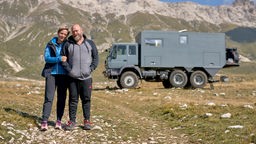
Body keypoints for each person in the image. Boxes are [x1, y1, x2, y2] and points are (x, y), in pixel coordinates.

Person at [61, 24, 99, 130]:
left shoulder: (90, 43)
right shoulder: (67, 44)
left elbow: (96, 58)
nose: (75, 33)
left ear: (81, 31)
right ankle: (72, 121)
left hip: (87, 78)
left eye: (77, 31)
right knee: (73, 100)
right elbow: (63, 59)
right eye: (73, 31)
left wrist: (90, 69)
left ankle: (87, 121)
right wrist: (69, 70)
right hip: (72, 78)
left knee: (86, 99)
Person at [40, 25, 70, 131]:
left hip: (63, 75)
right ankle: (44, 121)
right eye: (61, 33)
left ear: (67, 36)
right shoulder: (50, 43)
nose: (63, 35)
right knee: (49, 98)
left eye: (65, 34)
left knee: (61, 98)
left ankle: (58, 121)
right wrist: (59, 58)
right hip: (51, 74)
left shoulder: (67, 45)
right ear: (58, 33)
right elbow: (47, 58)